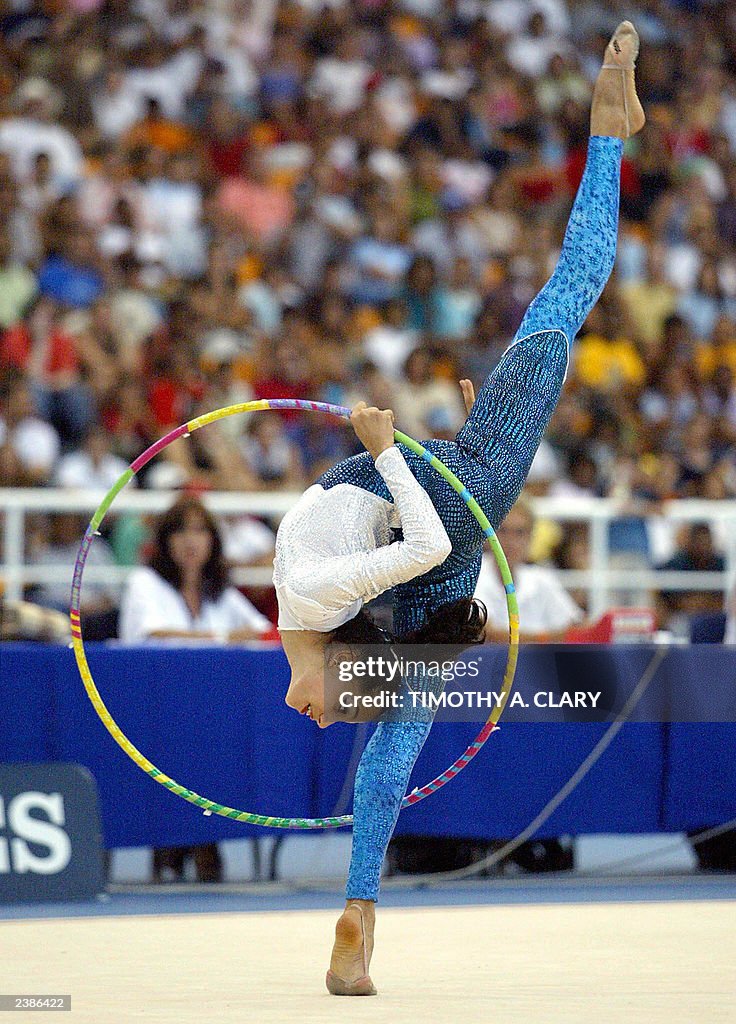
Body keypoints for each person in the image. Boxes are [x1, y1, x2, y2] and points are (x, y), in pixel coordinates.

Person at [274, 23, 645, 995]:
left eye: (308, 703)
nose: (310, 713)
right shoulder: (315, 610)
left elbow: (417, 538)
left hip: (438, 513)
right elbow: (423, 534)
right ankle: (606, 131)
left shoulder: (313, 606)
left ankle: (359, 911)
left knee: (393, 724)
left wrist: (414, 461)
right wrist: (409, 454)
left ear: (300, 677)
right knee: (564, 297)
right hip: (441, 504)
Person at [118, 495, 272, 645]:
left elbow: (264, 631)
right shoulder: (144, 581)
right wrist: (224, 638)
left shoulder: (219, 590)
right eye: (180, 531)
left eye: (199, 530)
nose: (190, 541)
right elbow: (154, 636)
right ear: (165, 540)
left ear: (213, 540)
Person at [475, 496, 583, 643]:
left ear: (530, 537)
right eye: (503, 531)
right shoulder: (474, 577)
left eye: (519, 532)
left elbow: (576, 626)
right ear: (489, 536)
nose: (511, 542)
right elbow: (487, 633)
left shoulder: (542, 578)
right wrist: (548, 638)